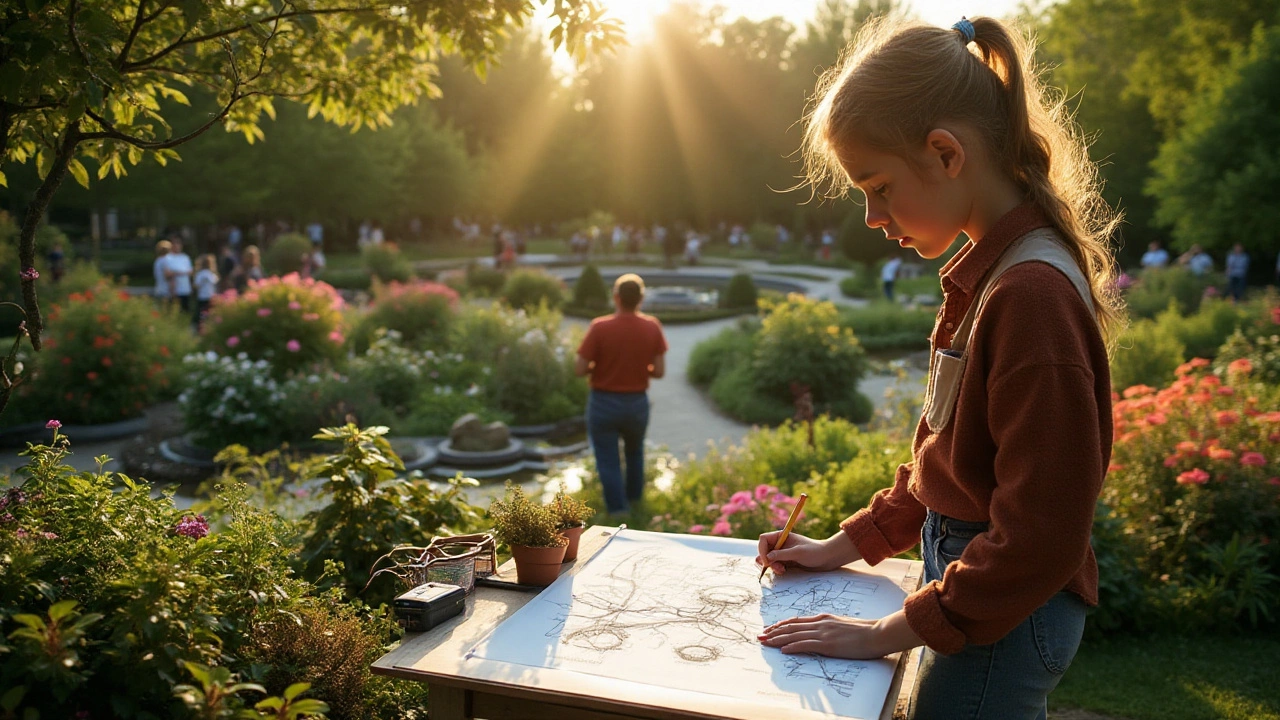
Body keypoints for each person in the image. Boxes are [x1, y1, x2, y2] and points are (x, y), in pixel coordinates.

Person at [754, 17, 1124, 720]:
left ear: (946, 153)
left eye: (880, 187)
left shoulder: (1029, 294)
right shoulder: (987, 279)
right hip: (981, 604)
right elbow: (947, 457)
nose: (870, 216)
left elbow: (1042, 534)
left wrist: (885, 634)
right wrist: (845, 544)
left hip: (1004, 620)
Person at [575, 274, 668, 515]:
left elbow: (579, 369)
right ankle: (635, 501)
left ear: (616, 297)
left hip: (603, 403)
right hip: (637, 403)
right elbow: (658, 371)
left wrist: (601, 367)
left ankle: (618, 510)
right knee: (635, 452)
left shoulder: (600, 327)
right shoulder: (652, 326)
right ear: (641, 299)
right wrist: (637, 367)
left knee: (607, 458)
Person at [166, 238, 194, 313]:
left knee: (185, 310)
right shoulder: (168, 258)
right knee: (174, 310)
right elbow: (168, 273)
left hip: (185, 288)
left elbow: (190, 272)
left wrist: (177, 272)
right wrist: (182, 273)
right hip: (174, 290)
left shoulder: (185, 257)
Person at [193, 254, 219, 329]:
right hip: (207, 296)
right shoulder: (209, 274)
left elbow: (196, 285)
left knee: (203, 313)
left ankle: (202, 326)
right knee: (206, 313)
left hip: (205, 297)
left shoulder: (202, 274)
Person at [153, 239, 174, 305]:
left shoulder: (158, 260)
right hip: (165, 290)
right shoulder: (165, 260)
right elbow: (167, 275)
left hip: (158, 289)